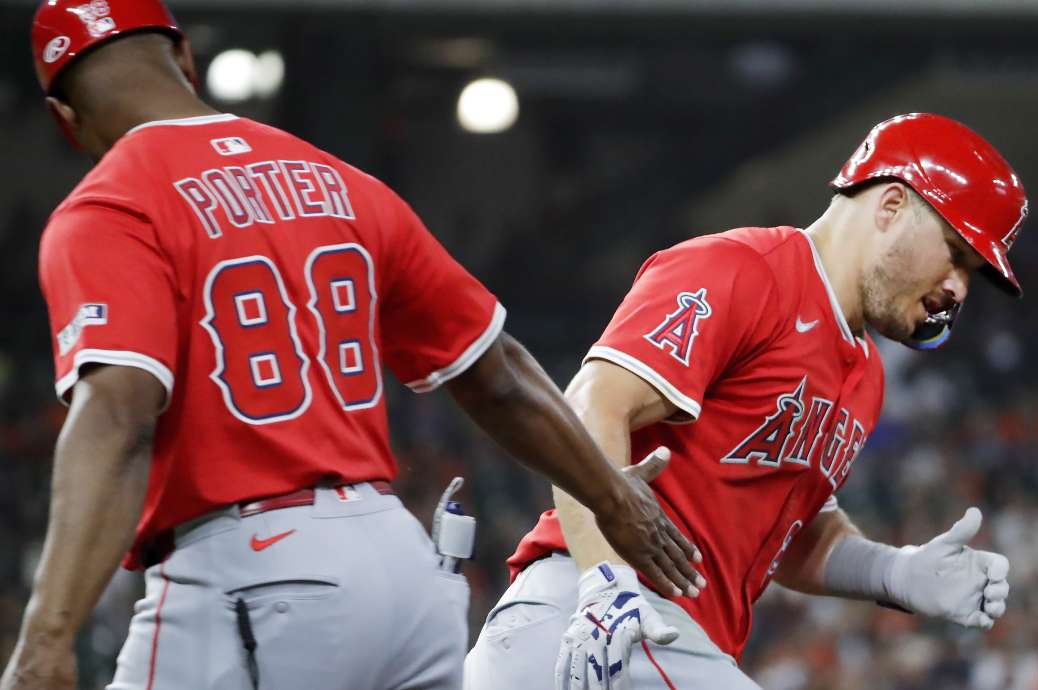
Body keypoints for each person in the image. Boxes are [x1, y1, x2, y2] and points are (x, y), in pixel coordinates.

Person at [2, 2, 704, 689]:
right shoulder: (341, 182)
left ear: (64, 118)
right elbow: (498, 372)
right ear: (185, 58)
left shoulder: (110, 207)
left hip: (254, 575)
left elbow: (117, 414)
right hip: (403, 571)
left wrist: (47, 638)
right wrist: (611, 495)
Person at [465, 112, 1025, 690]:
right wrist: (604, 584)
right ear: (890, 207)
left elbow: (790, 538)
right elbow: (591, 406)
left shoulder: (865, 375)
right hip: (597, 616)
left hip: (665, 641)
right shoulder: (744, 270)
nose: (959, 287)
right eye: (956, 253)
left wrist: (896, 572)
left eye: (972, 272)